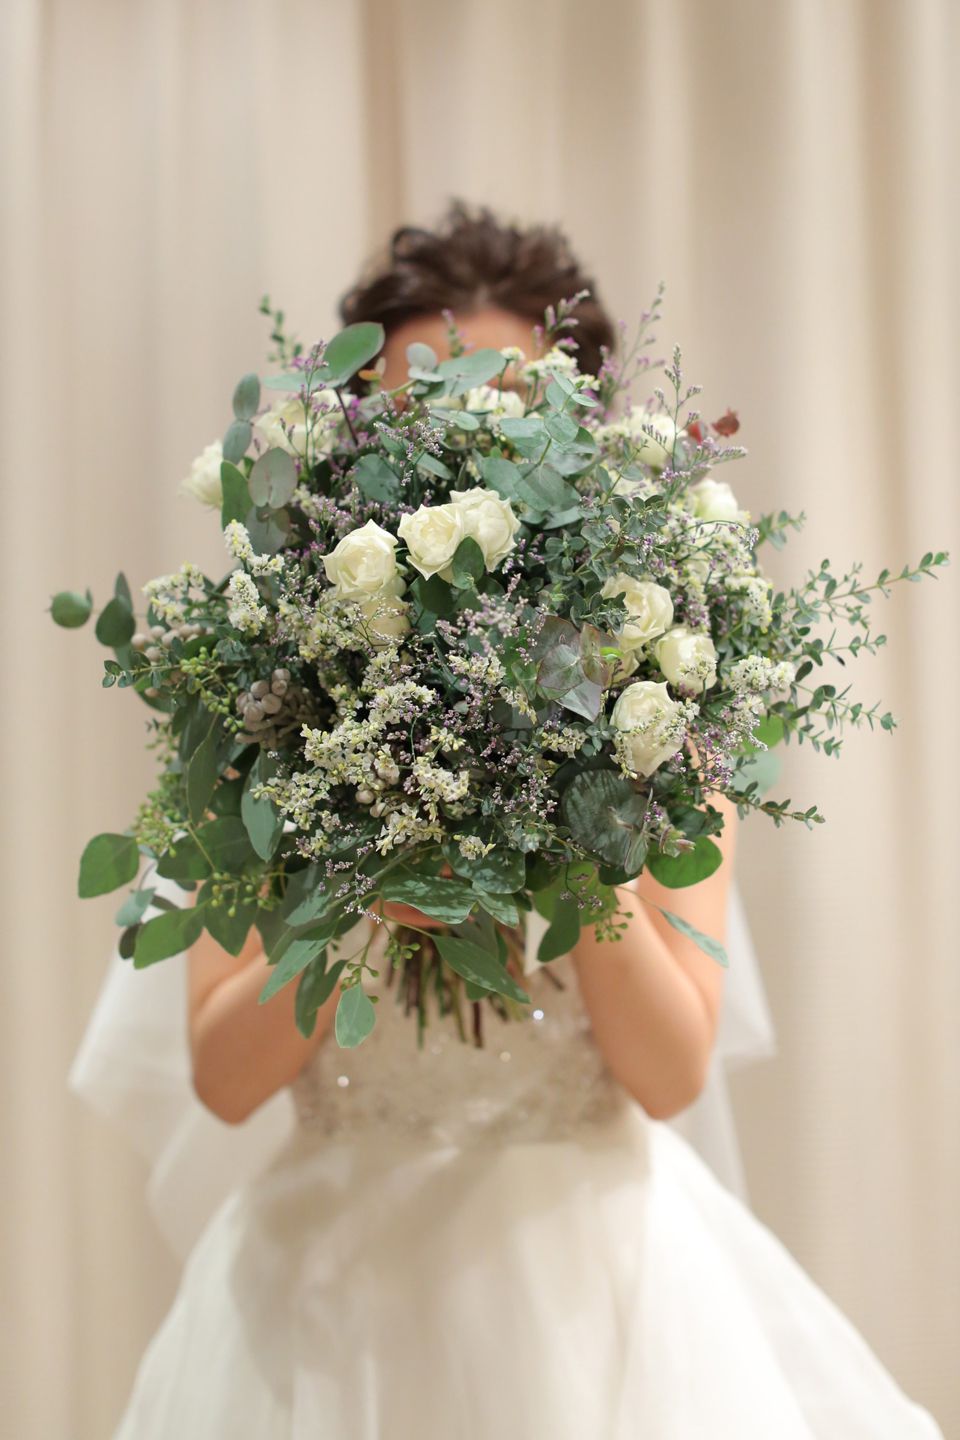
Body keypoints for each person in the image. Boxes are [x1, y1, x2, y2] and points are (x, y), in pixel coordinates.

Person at [72, 203, 944, 1437]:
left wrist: (558, 827)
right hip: (329, 1307)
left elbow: (669, 1073)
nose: (464, 451)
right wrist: (366, 877)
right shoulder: (271, 697)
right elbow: (221, 1078)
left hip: (596, 1299)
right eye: (419, 413)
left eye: (507, 414)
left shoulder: (660, 692)